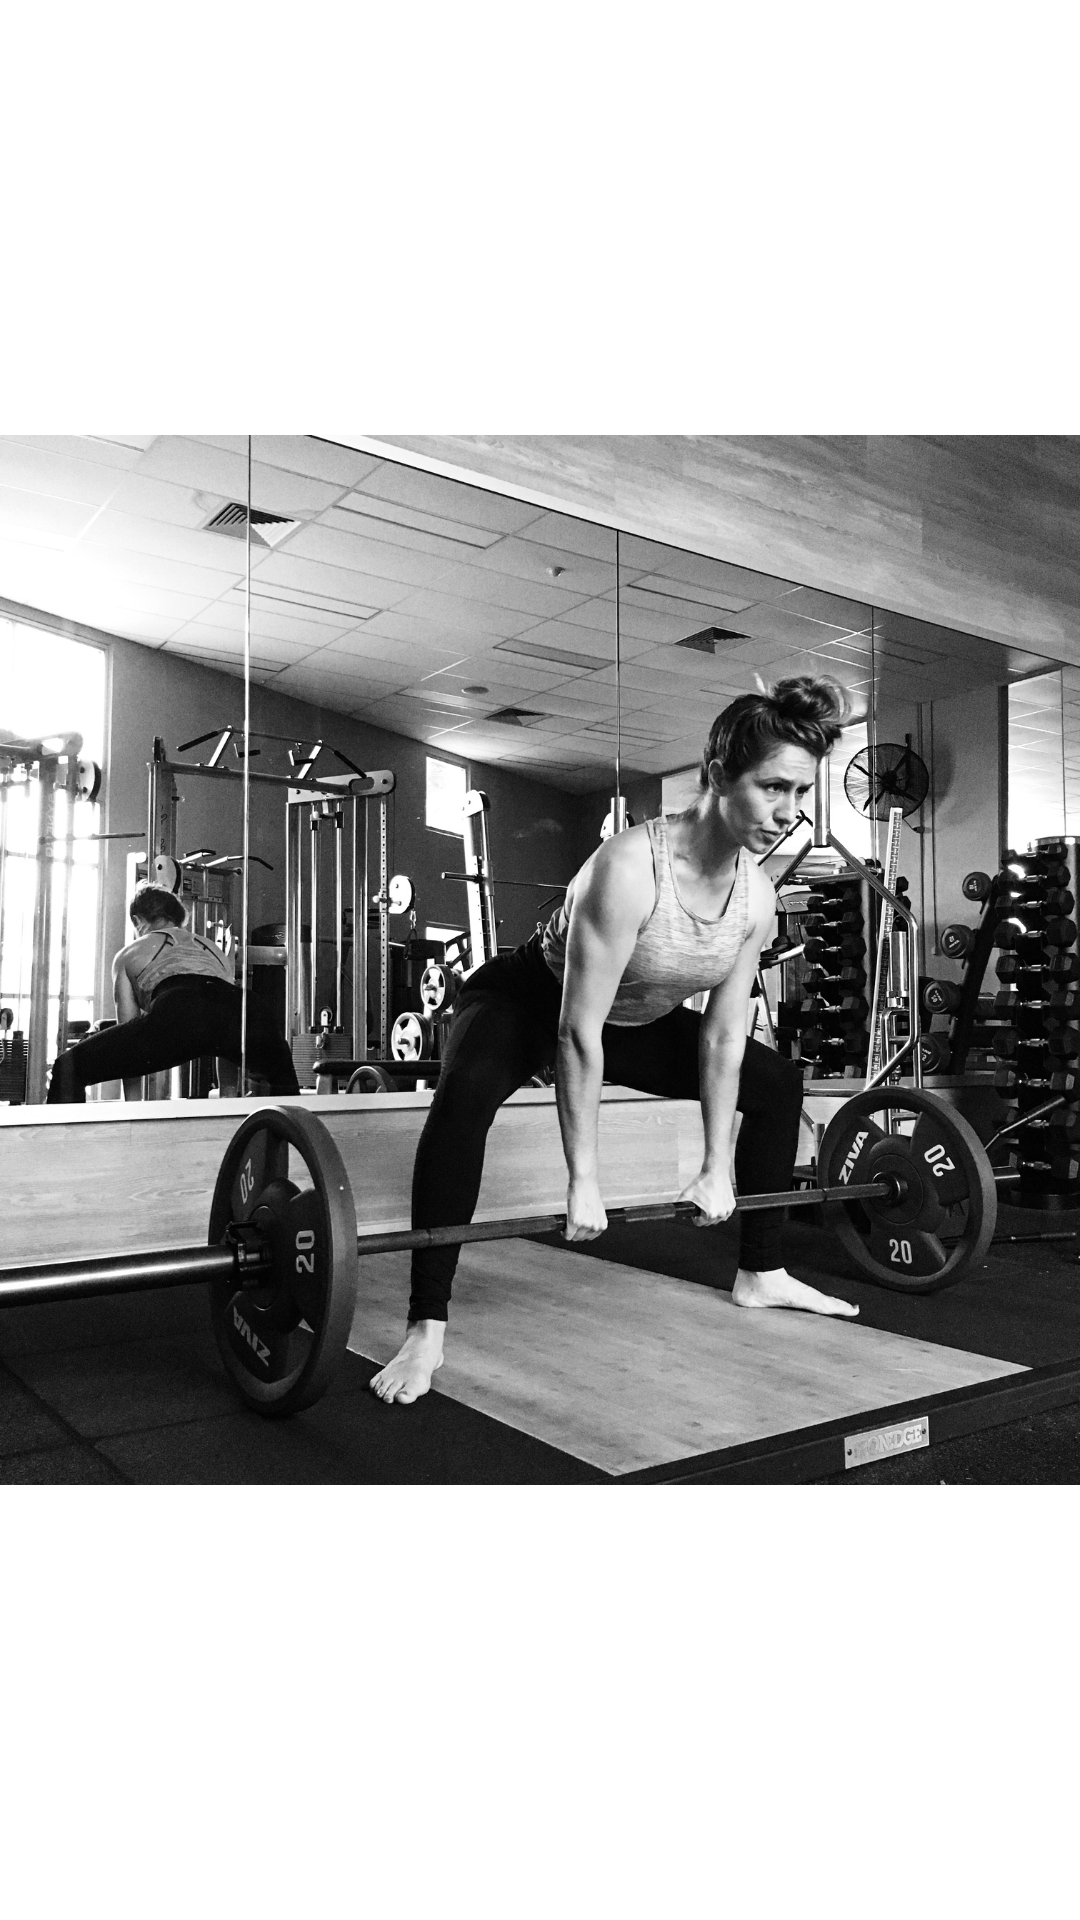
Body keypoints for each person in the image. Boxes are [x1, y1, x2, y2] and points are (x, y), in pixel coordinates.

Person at [370, 676, 858, 1407]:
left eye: (800, 792)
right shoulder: (630, 870)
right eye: (772, 788)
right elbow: (574, 1031)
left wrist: (716, 1167)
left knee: (776, 1082)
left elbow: (724, 1036)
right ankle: (425, 1326)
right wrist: (584, 1179)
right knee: (461, 1102)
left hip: (633, 1018)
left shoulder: (756, 898)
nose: (788, 812)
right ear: (718, 775)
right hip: (527, 1001)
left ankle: (761, 1271)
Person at [46, 884, 300, 1102]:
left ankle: (63, 1144)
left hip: (180, 1006)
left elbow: (129, 1036)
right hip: (248, 1006)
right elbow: (227, 1035)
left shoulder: (129, 953)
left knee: (67, 1069)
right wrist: (227, 1098)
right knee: (283, 1078)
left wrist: (132, 1109)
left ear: (138, 920)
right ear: (178, 919)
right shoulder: (212, 948)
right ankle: (296, 1139)